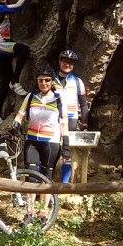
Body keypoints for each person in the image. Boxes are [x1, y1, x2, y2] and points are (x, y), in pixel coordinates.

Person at [9, 62, 64, 181]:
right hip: (32, 141)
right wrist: (16, 125)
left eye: (47, 80)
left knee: (46, 178)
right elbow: (20, 114)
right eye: (41, 80)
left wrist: (66, 146)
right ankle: (30, 194)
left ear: (52, 81)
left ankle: (45, 194)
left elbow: (63, 123)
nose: (44, 83)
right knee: (31, 177)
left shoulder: (58, 99)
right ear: (37, 81)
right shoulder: (31, 96)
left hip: (51, 142)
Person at [55, 48, 89, 184]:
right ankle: (45, 182)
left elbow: (84, 104)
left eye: (70, 62)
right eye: (65, 61)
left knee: (67, 151)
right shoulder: (51, 80)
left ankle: (64, 184)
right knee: (53, 147)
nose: (67, 64)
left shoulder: (77, 81)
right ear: (60, 62)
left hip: (71, 119)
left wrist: (84, 122)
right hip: (54, 118)